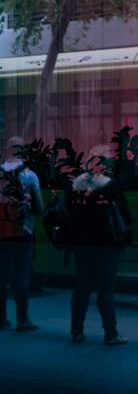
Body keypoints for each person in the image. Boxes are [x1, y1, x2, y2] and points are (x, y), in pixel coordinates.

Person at [67, 145, 130, 345]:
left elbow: (69, 210)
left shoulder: (77, 182)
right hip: (106, 244)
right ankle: (110, 334)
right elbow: (125, 216)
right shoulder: (112, 184)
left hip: (81, 244)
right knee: (106, 289)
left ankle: (77, 331)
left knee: (82, 287)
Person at [0, 136, 44, 332]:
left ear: (7, 149)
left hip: (0, 232)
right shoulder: (30, 175)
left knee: (0, 277)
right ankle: (22, 319)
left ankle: (0, 319)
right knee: (21, 275)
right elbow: (39, 207)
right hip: (23, 232)